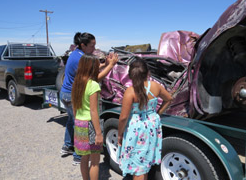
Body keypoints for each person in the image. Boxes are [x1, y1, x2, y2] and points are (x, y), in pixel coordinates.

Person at [60, 32, 118, 165]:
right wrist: (110, 65)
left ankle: (67, 146)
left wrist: (104, 64)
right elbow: (94, 79)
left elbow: (90, 68)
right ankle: (79, 156)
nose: (94, 48)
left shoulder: (76, 53)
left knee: (71, 120)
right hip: (72, 94)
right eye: (92, 46)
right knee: (79, 123)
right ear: (83, 45)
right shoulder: (80, 58)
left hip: (66, 92)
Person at [117, 58, 172, 180]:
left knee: (138, 168)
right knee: (144, 161)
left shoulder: (130, 92)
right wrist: (158, 113)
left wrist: (120, 134)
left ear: (130, 75)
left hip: (137, 129)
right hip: (153, 125)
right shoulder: (155, 86)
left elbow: (123, 117)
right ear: (148, 73)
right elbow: (168, 99)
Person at [72, 54, 103, 180]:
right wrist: (98, 133)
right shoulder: (93, 85)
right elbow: (93, 111)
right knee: (95, 160)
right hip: (90, 124)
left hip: (79, 123)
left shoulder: (77, 83)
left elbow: (74, 108)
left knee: (84, 158)